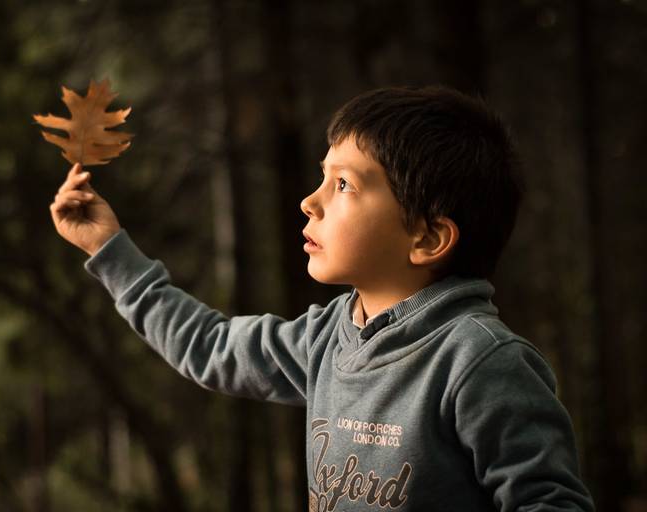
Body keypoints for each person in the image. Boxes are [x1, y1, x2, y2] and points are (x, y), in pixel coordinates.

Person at [50, 85, 595, 511]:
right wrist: (108, 248)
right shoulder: (326, 340)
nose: (310, 202)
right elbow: (210, 346)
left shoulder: (481, 363)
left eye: (344, 185)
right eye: (322, 178)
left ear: (427, 238)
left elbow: (549, 503)